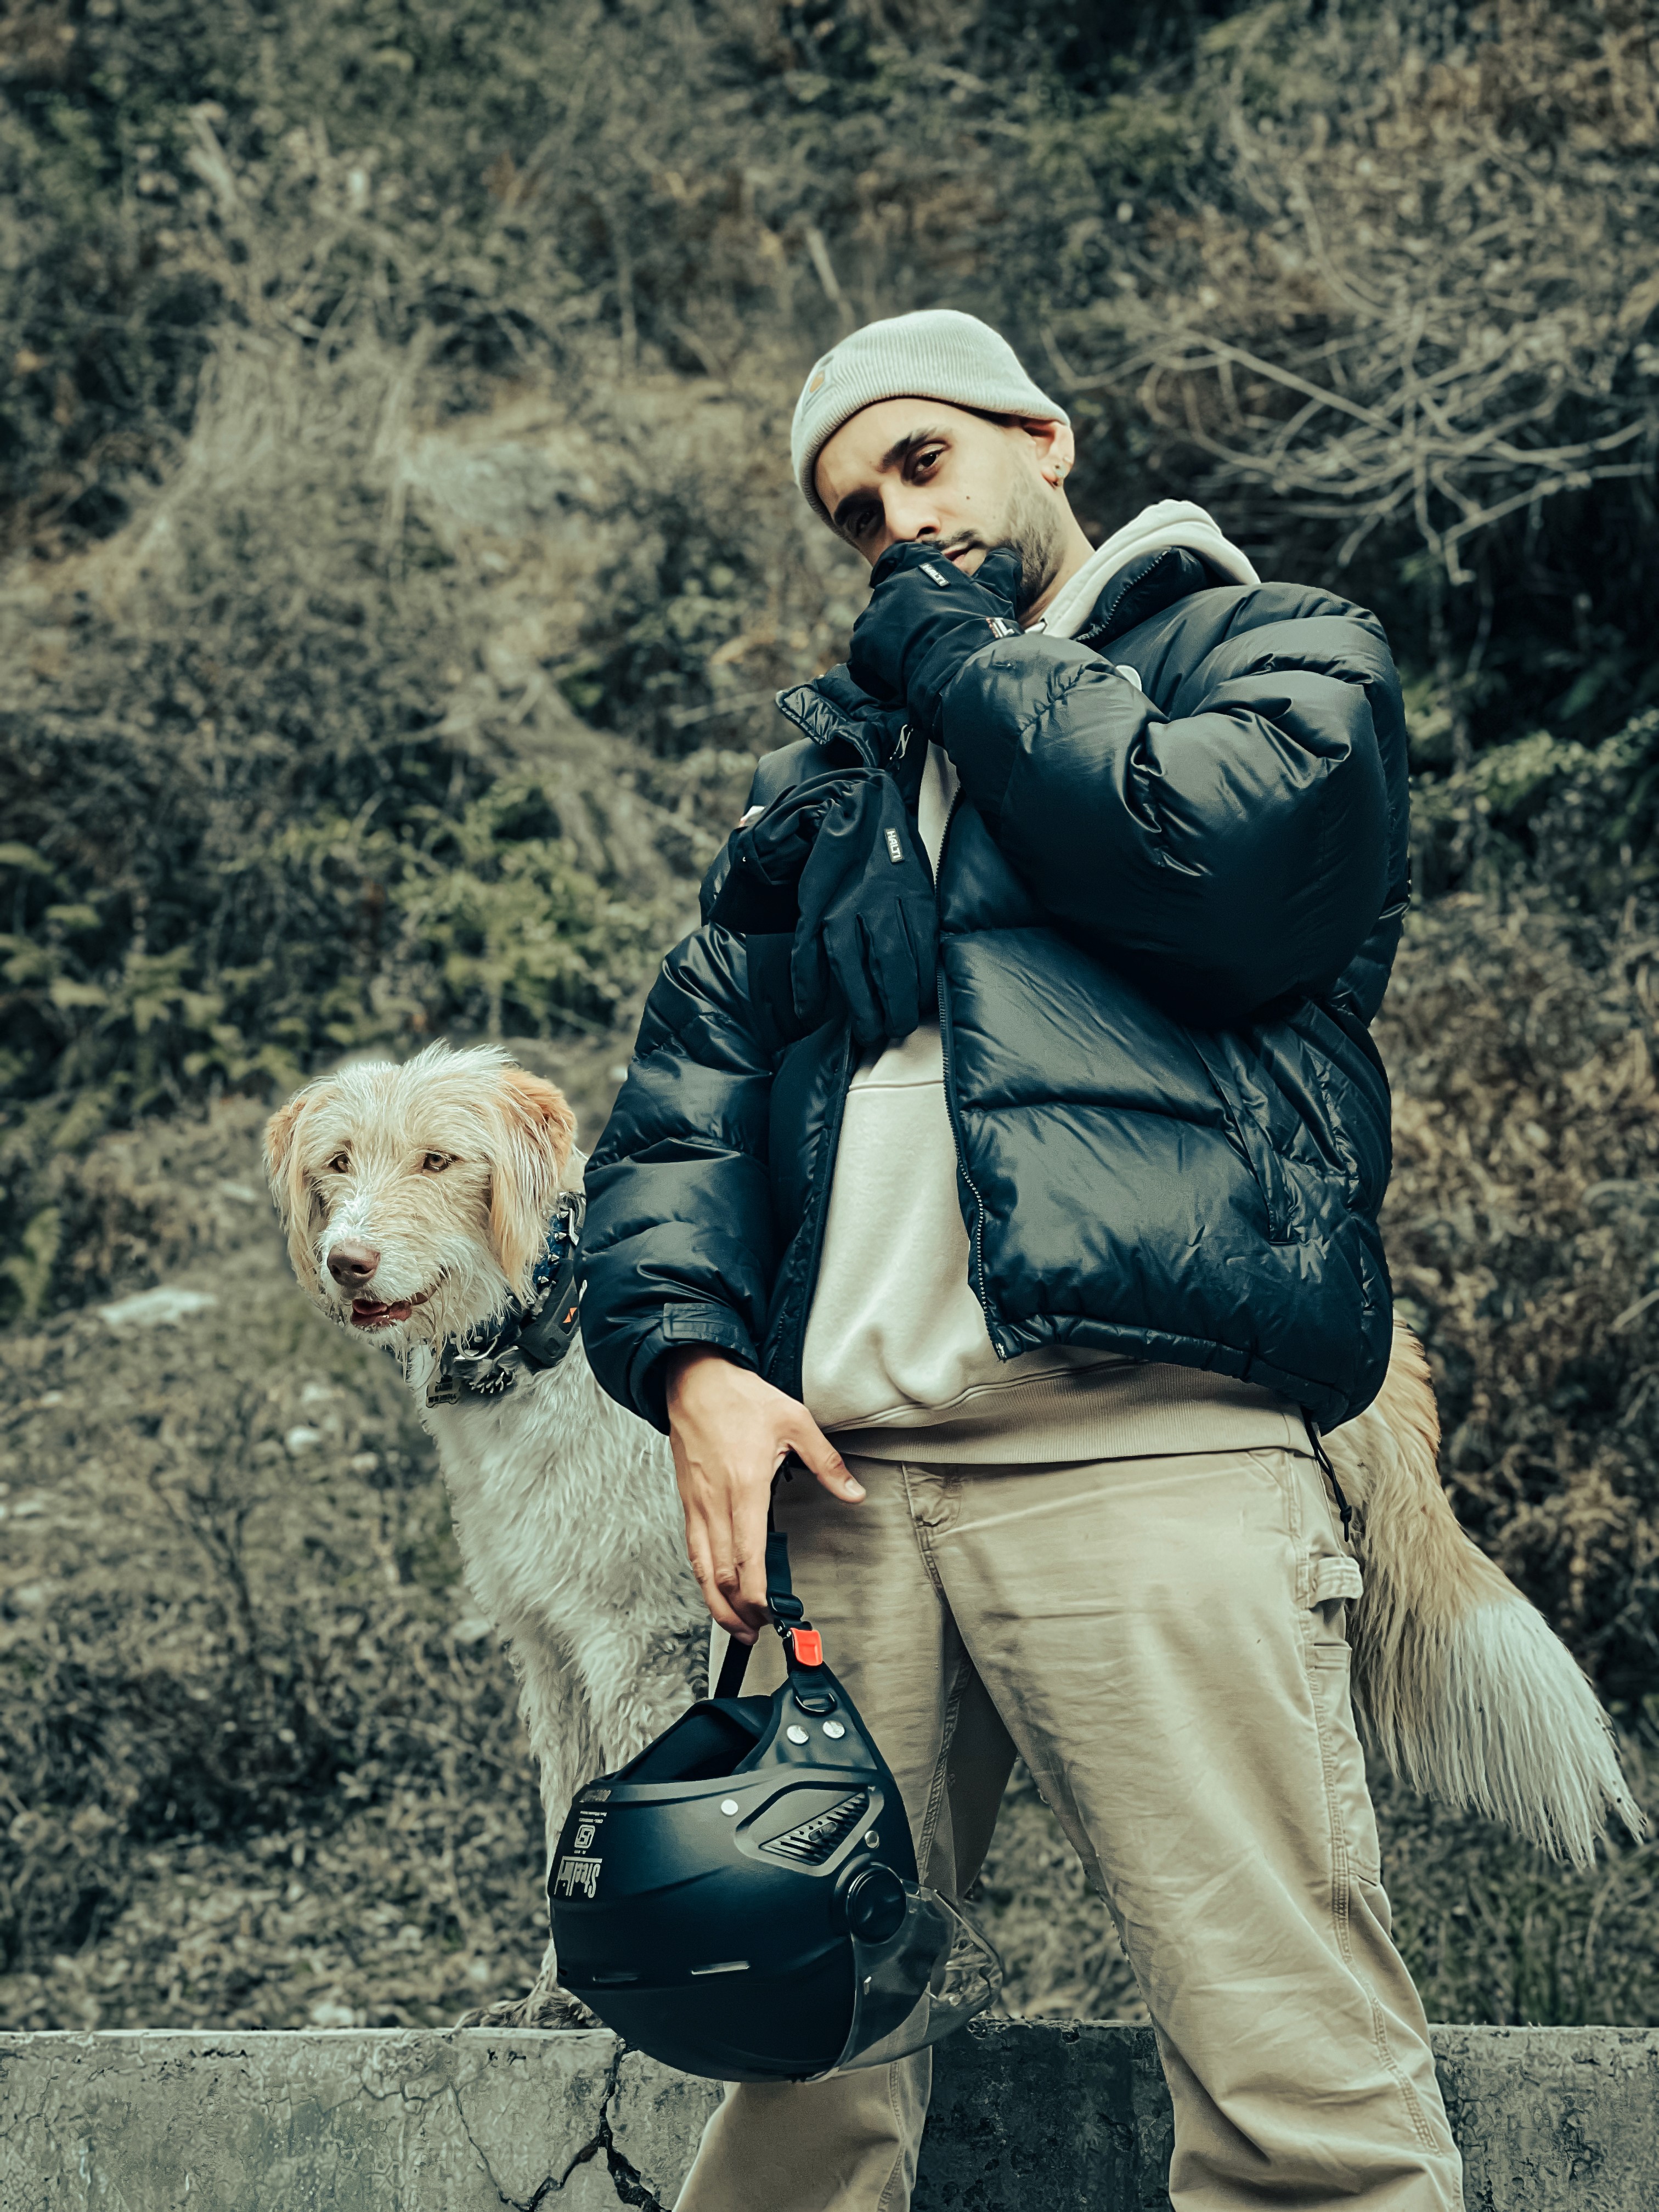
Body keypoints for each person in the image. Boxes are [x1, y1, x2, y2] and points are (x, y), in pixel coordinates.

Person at [578, 309, 1461, 2211]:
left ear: (1040, 438)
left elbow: (1218, 871)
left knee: (1294, 2088)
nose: (898, 526)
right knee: (796, 2097)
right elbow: (687, 1099)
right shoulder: (824, 784)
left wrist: (959, 663)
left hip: (1148, 1445)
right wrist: (694, 1363)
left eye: (923, 465)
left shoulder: (1272, 649)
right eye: (854, 513)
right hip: (847, 1491)